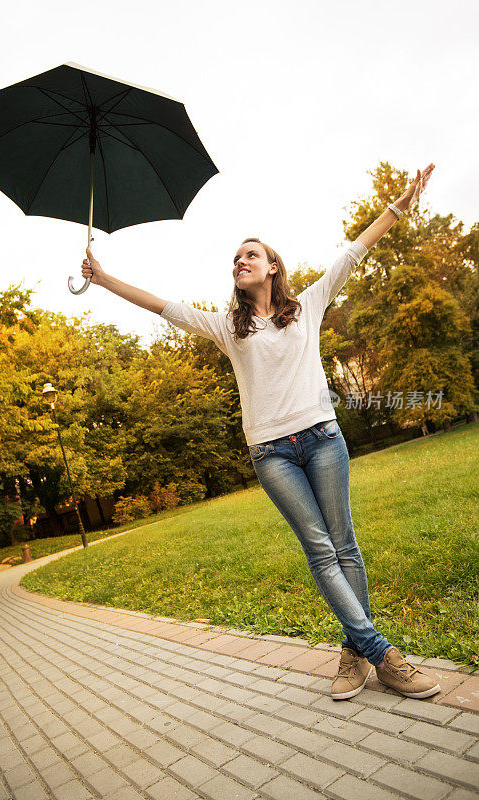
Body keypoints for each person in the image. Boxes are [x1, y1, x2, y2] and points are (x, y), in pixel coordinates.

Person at [81, 164, 441, 701]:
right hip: (272, 454)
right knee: (320, 550)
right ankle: (382, 653)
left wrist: (399, 205)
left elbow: (354, 252)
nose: (239, 262)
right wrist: (103, 278)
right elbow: (163, 306)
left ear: (273, 267)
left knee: (345, 545)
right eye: (234, 258)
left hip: (322, 439)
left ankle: (353, 651)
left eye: (249, 254)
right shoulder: (228, 327)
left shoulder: (308, 307)